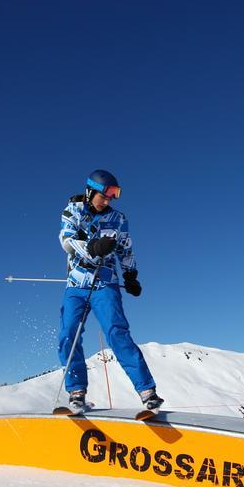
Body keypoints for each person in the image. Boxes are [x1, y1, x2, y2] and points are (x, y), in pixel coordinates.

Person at [57, 169, 163, 414]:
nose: (108, 200)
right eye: (105, 195)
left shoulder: (118, 218)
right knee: (67, 336)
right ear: (90, 191)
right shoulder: (72, 210)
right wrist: (93, 247)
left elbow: (125, 249)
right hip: (76, 285)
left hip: (105, 283)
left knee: (117, 332)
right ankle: (77, 393)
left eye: (113, 195)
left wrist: (130, 275)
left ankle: (148, 392)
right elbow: (66, 239)